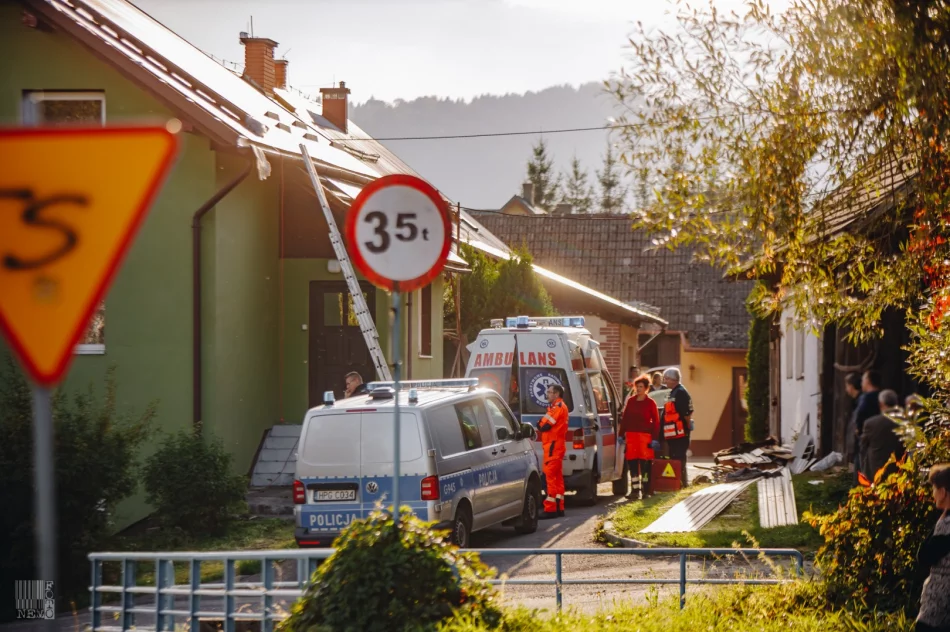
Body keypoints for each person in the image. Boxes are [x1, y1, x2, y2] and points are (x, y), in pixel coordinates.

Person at [915, 463, 950, 632]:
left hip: (939, 598)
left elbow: (924, 556)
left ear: (943, 492)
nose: (933, 494)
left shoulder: (946, 525)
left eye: (934, 489)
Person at [619, 375, 660, 499]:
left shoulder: (650, 403)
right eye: (637, 387)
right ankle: (634, 491)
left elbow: (656, 422)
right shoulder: (631, 401)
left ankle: (646, 491)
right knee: (632, 464)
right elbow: (625, 419)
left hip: (644, 438)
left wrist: (654, 438)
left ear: (646, 388)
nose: (638, 389)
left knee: (645, 465)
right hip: (631, 438)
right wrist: (621, 434)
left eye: (641, 387)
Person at [860, 389, 907, 482]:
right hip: (900, 473)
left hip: (875, 472)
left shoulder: (871, 423)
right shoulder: (905, 423)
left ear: (881, 404)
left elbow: (863, 448)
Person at [537, 383, 569, 519]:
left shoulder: (557, 407)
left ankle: (550, 509)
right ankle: (559, 506)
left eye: (550, 392)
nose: (547, 394)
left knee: (550, 476)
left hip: (553, 446)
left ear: (556, 394)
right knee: (557, 478)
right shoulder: (559, 407)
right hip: (556, 446)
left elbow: (543, 425)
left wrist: (539, 424)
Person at [661, 367, 693, 488]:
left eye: (666, 379)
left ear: (672, 379)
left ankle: (682, 483)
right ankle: (677, 482)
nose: (665, 381)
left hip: (680, 434)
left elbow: (687, 414)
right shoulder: (673, 392)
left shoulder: (681, 392)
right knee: (675, 457)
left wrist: (686, 428)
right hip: (674, 434)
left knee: (679, 458)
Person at [852, 369, 883, 485]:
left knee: (862, 471)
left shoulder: (867, 399)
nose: (861, 383)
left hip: (866, 439)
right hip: (880, 439)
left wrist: (858, 430)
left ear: (868, 381)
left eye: (863, 379)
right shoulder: (881, 396)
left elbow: (860, 417)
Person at [844, 372, 862, 467]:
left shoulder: (861, 402)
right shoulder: (856, 401)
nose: (846, 389)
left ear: (851, 386)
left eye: (846, 386)